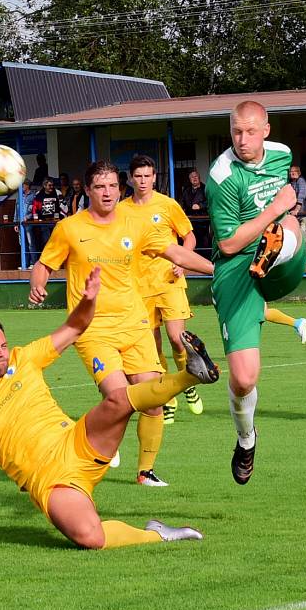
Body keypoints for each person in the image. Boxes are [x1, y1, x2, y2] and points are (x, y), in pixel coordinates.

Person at [0, 269, 220, 549]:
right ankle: (159, 533)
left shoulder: (23, 359)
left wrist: (89, 300)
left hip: (77, 442)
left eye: (3, 345)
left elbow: (75, 328)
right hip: (50, 482)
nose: (1, 353)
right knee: (90, 538)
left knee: (118, 400)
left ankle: (191, 374)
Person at [29, 160, 214, 485]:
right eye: (100, 186)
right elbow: (44, 264)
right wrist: (38, 282)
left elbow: (177, 253)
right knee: (120, 400)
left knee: (153, 402)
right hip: (92, 329)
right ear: (87, 190)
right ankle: (92, 443)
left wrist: (220, 272)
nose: (107, 192)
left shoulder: (135, 225)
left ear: (120, 188)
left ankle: (146, 472)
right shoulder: (70, 228)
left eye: (113, 186)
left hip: (134, 325)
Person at [206, 100, 304, 486]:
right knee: (245, 378)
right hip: (235, 269)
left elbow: (286, 203)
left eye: (250, 131)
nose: (242, 140)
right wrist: (275, 209)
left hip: (278, 257)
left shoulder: (282, 154)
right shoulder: (221, 176)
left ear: (266, 129)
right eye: (235, 132)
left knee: (291, 222)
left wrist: (282, 211)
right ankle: (246, 440)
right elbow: (227, 245)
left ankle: (276, 251)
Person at [119, 154, 202, 429]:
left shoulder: (167, 205)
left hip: (168, 280)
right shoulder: (121, 210)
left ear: (155, 177)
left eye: (147, 176)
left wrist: (182, 261)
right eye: (138, 176)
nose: (143, 181)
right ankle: (167, 397)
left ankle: (186, 381)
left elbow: (189, 237)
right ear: (131, 178)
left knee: (178, 339)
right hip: (139, 287)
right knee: (152, 348)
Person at [180, 169, 210, 253]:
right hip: (190, 220)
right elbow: (182, 203)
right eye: (192, 177)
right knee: (190, 240)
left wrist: (200, 206)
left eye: (196, 176)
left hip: (202, 220)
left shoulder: (206, 188)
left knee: (203, 241)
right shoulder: (186, 190)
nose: (194, 178)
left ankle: (204, 256)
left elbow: (211, 202)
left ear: (199, 177)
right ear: (190, 180)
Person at [289, 165, 306, 261]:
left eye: (295, 171)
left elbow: (301, 196)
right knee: (297, 235)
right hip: (296, 215)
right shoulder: (291, 183)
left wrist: (296, 210)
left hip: (304, 213)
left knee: (303, 235)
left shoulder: (301, 181)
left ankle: (305, 257)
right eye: (291, 172)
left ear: (299, 173)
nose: (292, 173)